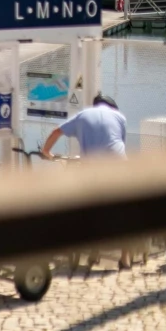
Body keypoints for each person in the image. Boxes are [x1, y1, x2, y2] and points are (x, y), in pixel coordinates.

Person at [41, 93, 130, 267]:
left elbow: (56, 132)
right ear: (112, 107)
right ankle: (125, 257)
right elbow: (120, 145)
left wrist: (46, 152)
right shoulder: (120, 117)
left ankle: (94, 252)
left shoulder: (83, 116)